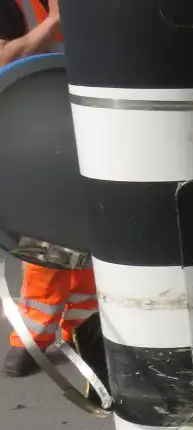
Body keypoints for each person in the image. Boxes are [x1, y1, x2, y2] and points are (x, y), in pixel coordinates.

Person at [1, 0, 95, 378]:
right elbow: (6, 56)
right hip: (33, 129)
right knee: (43, 245)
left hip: (86, 124)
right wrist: (57, 18)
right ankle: (32, 338)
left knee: (90, 244)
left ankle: (84, 333)